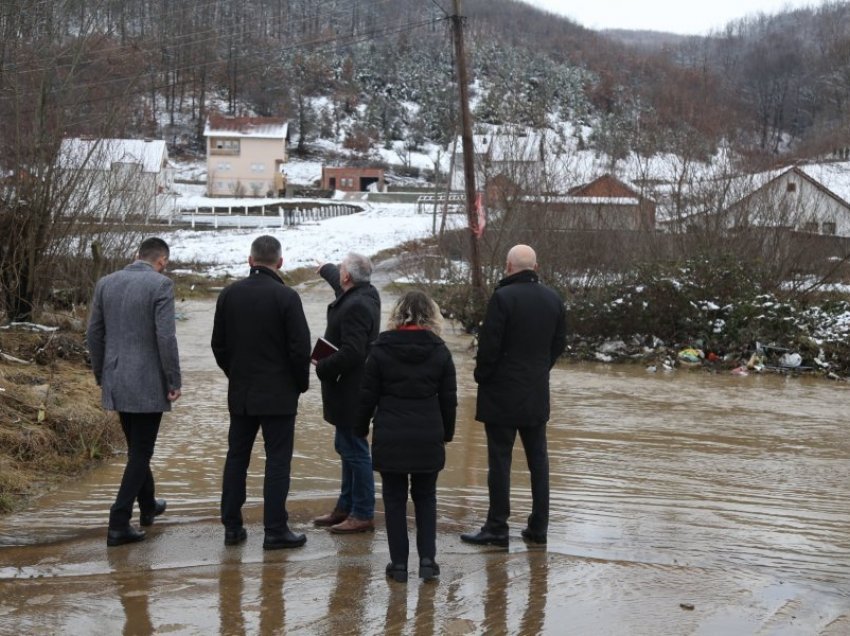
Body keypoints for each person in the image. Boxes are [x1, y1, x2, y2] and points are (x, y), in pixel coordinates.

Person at [461, 244, 566, 548]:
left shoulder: (502, 298)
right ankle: (538, 527)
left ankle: (497, 528)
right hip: (536, 390)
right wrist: (540, 369)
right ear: (536, 267)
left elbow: (489, 346)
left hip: (501, 393)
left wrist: (482, 376)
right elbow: (559, 342)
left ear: (508, 266)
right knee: (539, 461)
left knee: (500, 461)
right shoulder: (553, 298)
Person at [211, 235, 311, 550]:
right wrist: (299, 384)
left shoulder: (228, 295)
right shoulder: (287, 297)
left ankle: (232, 526)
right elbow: (300, 349)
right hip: (280, 395)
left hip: (241, 392)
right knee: (277, 461)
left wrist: (235, 373)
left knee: (237, 458)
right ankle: (275, 530)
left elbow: (218, 345)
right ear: (279, 262)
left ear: (250, 260)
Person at [87, 237, 182, 547]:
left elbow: (94, 333)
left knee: (137, 449)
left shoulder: (106, 282)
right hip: (147, 381)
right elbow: (165, 337)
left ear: (135, 254)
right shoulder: (161, 285)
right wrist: (173, 380)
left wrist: (102, 373)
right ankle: (118, 521)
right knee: (142, 452)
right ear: (162, 261)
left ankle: (149, 505)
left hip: (116, 376)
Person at [356, 290, 457, 583]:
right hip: (428, 435)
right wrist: (446, 434)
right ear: (432, 315)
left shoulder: (380, 350)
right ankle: (428, 561)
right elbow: (449, 400)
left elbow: (367, 397)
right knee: (426, 498)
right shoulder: (440, 351)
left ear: (397, 315)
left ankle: (398, 565)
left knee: (394, 499)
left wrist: (360, 428)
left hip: (390, 434)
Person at [313, 253, 380, 533]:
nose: (339, 273)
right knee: (347, 447)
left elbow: (353, 351)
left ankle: (362, 512)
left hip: (352, 389)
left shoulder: (356, 306)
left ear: (348, 278)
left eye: (340, 269)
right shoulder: (365, 291)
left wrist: (322, 367)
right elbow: (339, 283)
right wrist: (326, 268)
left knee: (355, 450)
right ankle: (346, 506)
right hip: (351, 389)